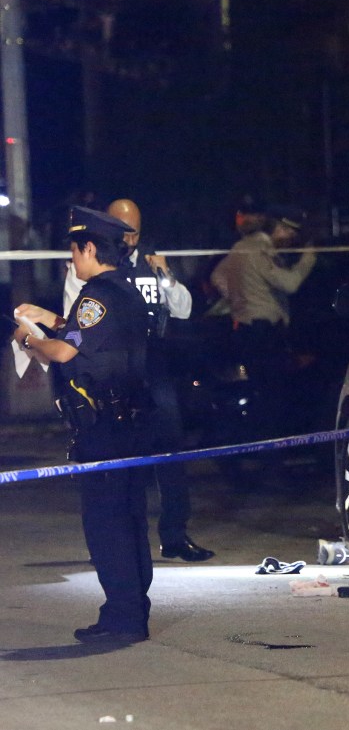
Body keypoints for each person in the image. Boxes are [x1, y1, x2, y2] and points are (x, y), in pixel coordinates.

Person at [13, 206, 153, 644]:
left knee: (106, 524)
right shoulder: (124, 291)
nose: (72, 261)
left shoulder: (95, 296)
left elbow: (65, 352)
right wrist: (50, 317)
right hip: (131, 424)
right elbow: (87, 336)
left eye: (74, 252)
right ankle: (132, 611)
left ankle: (123, 618)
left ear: (89, 248)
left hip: (104, 428)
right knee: (130, 518)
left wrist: (27, 338)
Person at [63, 199, 214, 562]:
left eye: (135, 232)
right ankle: (119, 542)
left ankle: (174, 534)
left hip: (154, 366)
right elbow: (73, 321)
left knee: (170, 449)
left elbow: (184, 309)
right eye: (123, 230)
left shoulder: (151, 262)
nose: (129, 239)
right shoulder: (89, 264)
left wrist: (166, 275)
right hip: (113, 370)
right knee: (120, 458)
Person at [210, 204, 316, 433]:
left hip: (248, 330)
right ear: (277, 228)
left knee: (262, 392)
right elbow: (290, 283)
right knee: (273, 396)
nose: (289, 238)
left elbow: (218, 276)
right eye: (288, 232)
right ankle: (274, 444)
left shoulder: (241, 247)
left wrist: (240, 297)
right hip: (263, 333)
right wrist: (309, 258)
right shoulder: (260, 249)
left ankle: (266, 442)